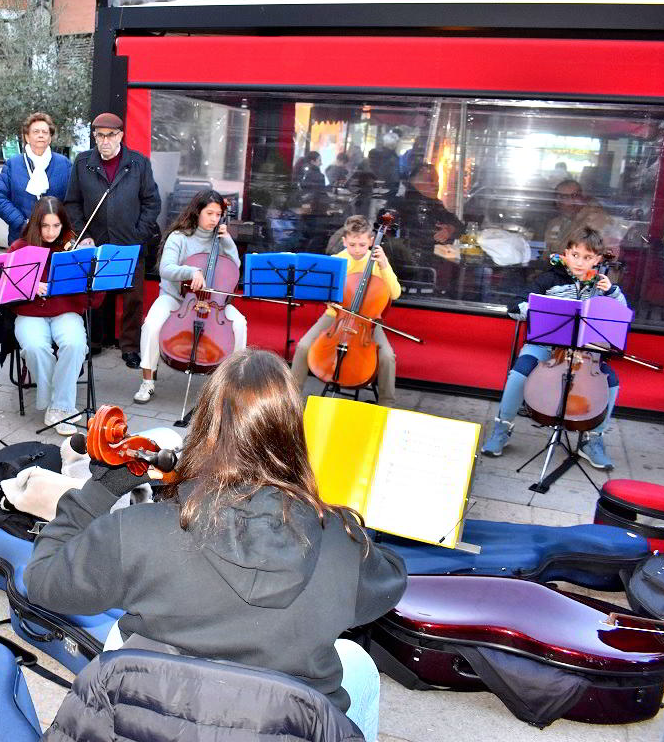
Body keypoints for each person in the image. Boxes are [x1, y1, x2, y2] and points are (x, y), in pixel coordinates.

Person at [25, 349, 407, 742]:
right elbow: (388, 586)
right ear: (293, 436)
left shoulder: (133, 532)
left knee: (118, 639)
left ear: (203, 428)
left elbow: (41, 580)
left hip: (160, 718)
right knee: (358, 663)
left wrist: (97, 492)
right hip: (285, 725)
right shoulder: (342, 541)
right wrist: (343, 525)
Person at [479, 226, 624, 469]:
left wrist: (612, 293)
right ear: (566, 253)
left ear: (598, 260)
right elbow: (516, 306)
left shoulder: (603, 285)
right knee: (519, 373)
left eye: (588, 258)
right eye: (575, 255)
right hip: (545, 347)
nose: (580, 262)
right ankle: (502, 428)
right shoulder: (549, 279)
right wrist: (535, 309)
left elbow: (620, 314)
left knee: (611, 382)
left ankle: (593, 440)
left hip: (586, 354)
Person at [63, 113, 161, 368]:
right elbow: (72, 203)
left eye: (110, 135)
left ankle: (129, 347)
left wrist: (138, 234)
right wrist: (84, 236)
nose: (104, 141)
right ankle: (93, 342)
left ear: (120, 136)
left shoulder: (138, 163)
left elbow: (152, 202)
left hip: (130, 243)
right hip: (96, 243)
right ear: (94, 136)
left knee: (133, 299)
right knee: (94, 296)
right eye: (99, 136)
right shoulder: (82, 162)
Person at [132, 190, 246, 404]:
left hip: (214, 303)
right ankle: (147, 382)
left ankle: (232, 384)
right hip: (176, 298)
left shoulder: (221, 239)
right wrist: (190, 271)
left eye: (218, 214)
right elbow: (166, 269)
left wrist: (229, 243)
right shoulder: (179, 237)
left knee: (239, 323)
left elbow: (234, 269)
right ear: (197, 212)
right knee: (151, 325)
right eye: (209, 213)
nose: (214, 219)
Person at [290, 214, 401, 407]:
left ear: (371, 241)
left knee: (387, 357)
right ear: (344, 241)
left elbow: (395, 293)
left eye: (362, 244)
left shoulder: (378, 261)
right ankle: (290, 398)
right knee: (303, 347)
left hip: (367, 320)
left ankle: (386, 405)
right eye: (352, 244)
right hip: (335, 317)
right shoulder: (336, 261)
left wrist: (383, 265)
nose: (357, 250)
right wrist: (329, 300)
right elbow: (324, 293)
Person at [8, 196, 96, 435]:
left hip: (65, 308)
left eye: (56, 226)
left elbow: (93, 296)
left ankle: (59, 406)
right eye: (45, 226)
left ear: (63, 225)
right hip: (30, 311)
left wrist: (89, 265)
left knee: (75, 343)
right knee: (35, 347)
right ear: (36, 224)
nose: (50, 232)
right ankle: (58, 404)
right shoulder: (20, 248)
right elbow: (5, 288)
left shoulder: (72, 247)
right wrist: (29, 286)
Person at [0, 112, 71, 244]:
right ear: (27, 137)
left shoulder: (64, 164)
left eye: (45, 132)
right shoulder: (13, 164)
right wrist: (21, 223)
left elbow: (73, 198)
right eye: (36, 131)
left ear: (50, 138)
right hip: (21, 236)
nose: (41, 135)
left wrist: (57, 224)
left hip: (56, 239)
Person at [389, 162, 463, 270]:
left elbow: (458, 225)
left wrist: (450, 229)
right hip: (414, 270)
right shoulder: (405, 203)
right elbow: (422, 240)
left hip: (428, 263)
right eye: (430, 180)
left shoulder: (433, 203)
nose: (436, 185)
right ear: (414, 182)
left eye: (437, 180)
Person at [543, 179, 609, 259]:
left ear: (582, 197)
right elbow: (547, 254)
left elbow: (587, 255)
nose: (570, 201)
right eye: (563, 197)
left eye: (574, 195)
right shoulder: (554, 223)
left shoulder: (594, 219)